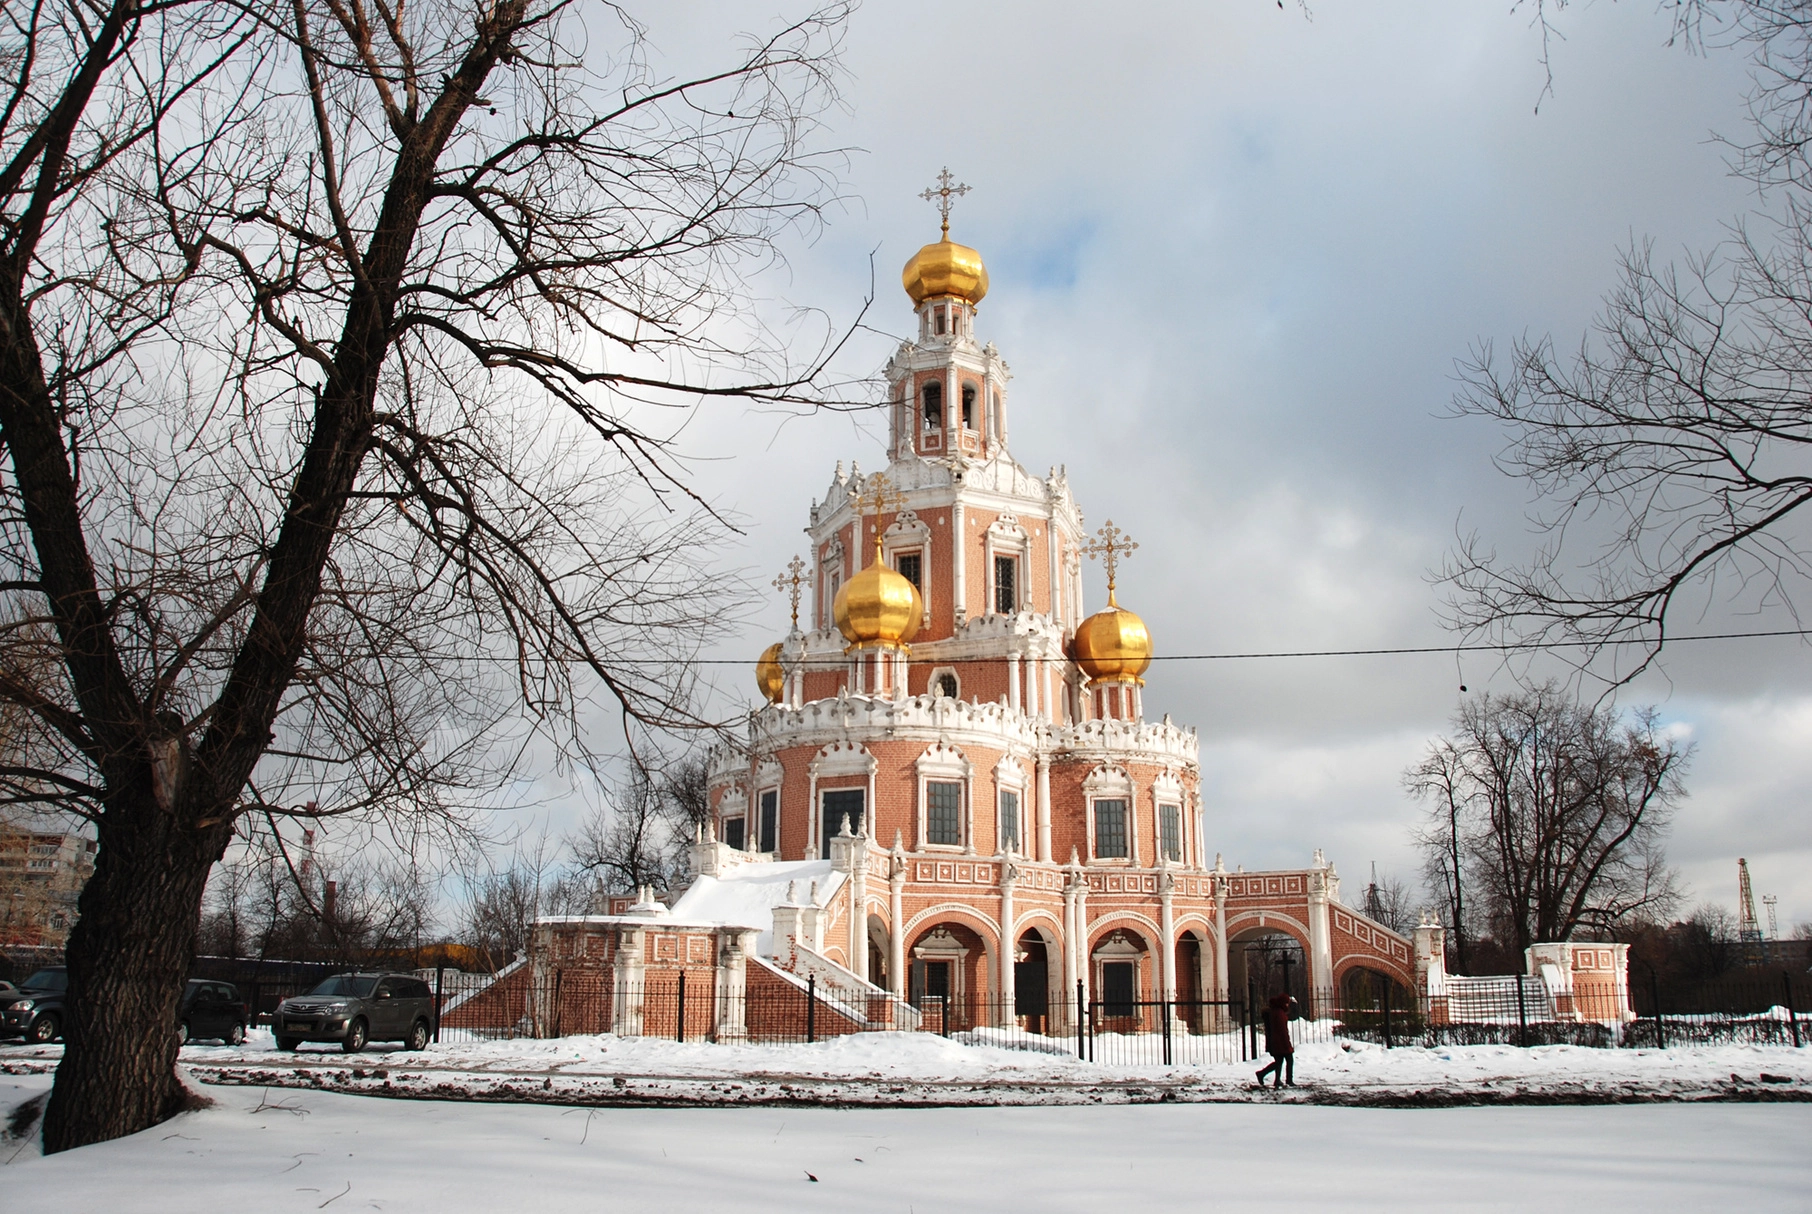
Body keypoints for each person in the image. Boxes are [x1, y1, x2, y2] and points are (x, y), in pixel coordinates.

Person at [1254, 991, 1295, 1088]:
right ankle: (1288, 1080)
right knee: (1289, 1059)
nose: (1287, 1005)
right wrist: (1287, 1044)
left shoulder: (1275, 1011)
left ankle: (1269, 1077)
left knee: (1279, 1061)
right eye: (1287, 1003)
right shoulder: (1279, 1013)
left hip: (1275, 1042)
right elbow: (1282, 1030)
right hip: (1281, 1042)